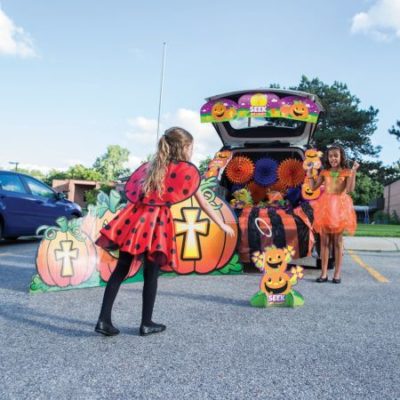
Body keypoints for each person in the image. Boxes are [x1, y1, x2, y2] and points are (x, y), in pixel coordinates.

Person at [94, 127, 235, 337]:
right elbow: (203, 202)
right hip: (156, 225)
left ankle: (103, 320)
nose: (192, 151)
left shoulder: (150, 168)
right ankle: (146, 323)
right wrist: (221, 224)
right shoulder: (185, 171)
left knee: (120, 269)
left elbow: (133, 192)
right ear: (184, 147)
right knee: (151, 273)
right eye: (191, 147)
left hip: (134, 220)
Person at [306, 144, 359, 284]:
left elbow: (350, 189)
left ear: (341, 157)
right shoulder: (324, 172)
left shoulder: (346, 172)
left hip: (340, 208)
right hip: (326, 207)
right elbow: (312, 187)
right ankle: (323, 274)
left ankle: (337, 274)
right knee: (324, 242)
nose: (333, 158)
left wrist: (353, 172)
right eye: (330, 156)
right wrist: (310, 173)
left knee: (337, 242)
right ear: (327, 158)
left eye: (336, 155)